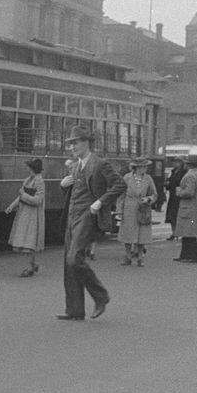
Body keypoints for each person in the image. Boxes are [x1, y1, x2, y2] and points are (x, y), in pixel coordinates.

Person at [57, 125, 126, 321]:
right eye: (70, 144)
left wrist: (100, 202)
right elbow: (75, 190)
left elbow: (120, 184)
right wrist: (64, 186)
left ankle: (100, 295)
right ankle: (75, 310)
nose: (72, 147)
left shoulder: (100, 164)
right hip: (72, 216)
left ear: (87, 142)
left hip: (87, 215)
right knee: (68, 264)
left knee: (74, 259)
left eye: (75, 143)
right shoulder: (75, 165)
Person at [5, 157, 45, 277]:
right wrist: (12, 206)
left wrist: (24, 195)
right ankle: (32, 265)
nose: (28, 169)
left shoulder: (39, 181)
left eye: (30, 167)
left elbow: (38, 200)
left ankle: (30, 267)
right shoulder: (28, 180)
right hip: (24, 213)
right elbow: (20, 196)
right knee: (26, 240)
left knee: (29, 242)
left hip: (33, 214)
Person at [116, 156, 158, 266]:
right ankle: (128, 256)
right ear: (136, 167)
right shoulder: (127, 178)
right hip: (129, 207)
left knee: (142, 233)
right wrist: (119, 211)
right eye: (143, 167)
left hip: (143, 209)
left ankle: (140, 257)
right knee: (128, 233)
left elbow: (154, 194)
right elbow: (121, 195)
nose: (145, 169)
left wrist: (148, 199)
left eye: (145, 166)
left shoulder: (148, 178)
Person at [173, 154, 197, 264]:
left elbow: (189, 192)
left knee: (188, 233)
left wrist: (179, 192)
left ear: (187, 164)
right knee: (188, 232)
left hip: (189, 209)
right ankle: (185, 255)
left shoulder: (190, 176)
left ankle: (191, 256)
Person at [164, 157, 187, 241]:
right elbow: (169, 181)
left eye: (177, 162)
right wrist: (167, 184)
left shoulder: (184, 172)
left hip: (180, 197)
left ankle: (181, 232)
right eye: (174, 162)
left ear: (181, 163)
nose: (175, 164)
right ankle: (174, 233)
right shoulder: (173, 171)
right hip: (173, 196)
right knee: (172, 216)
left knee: (179, 215)